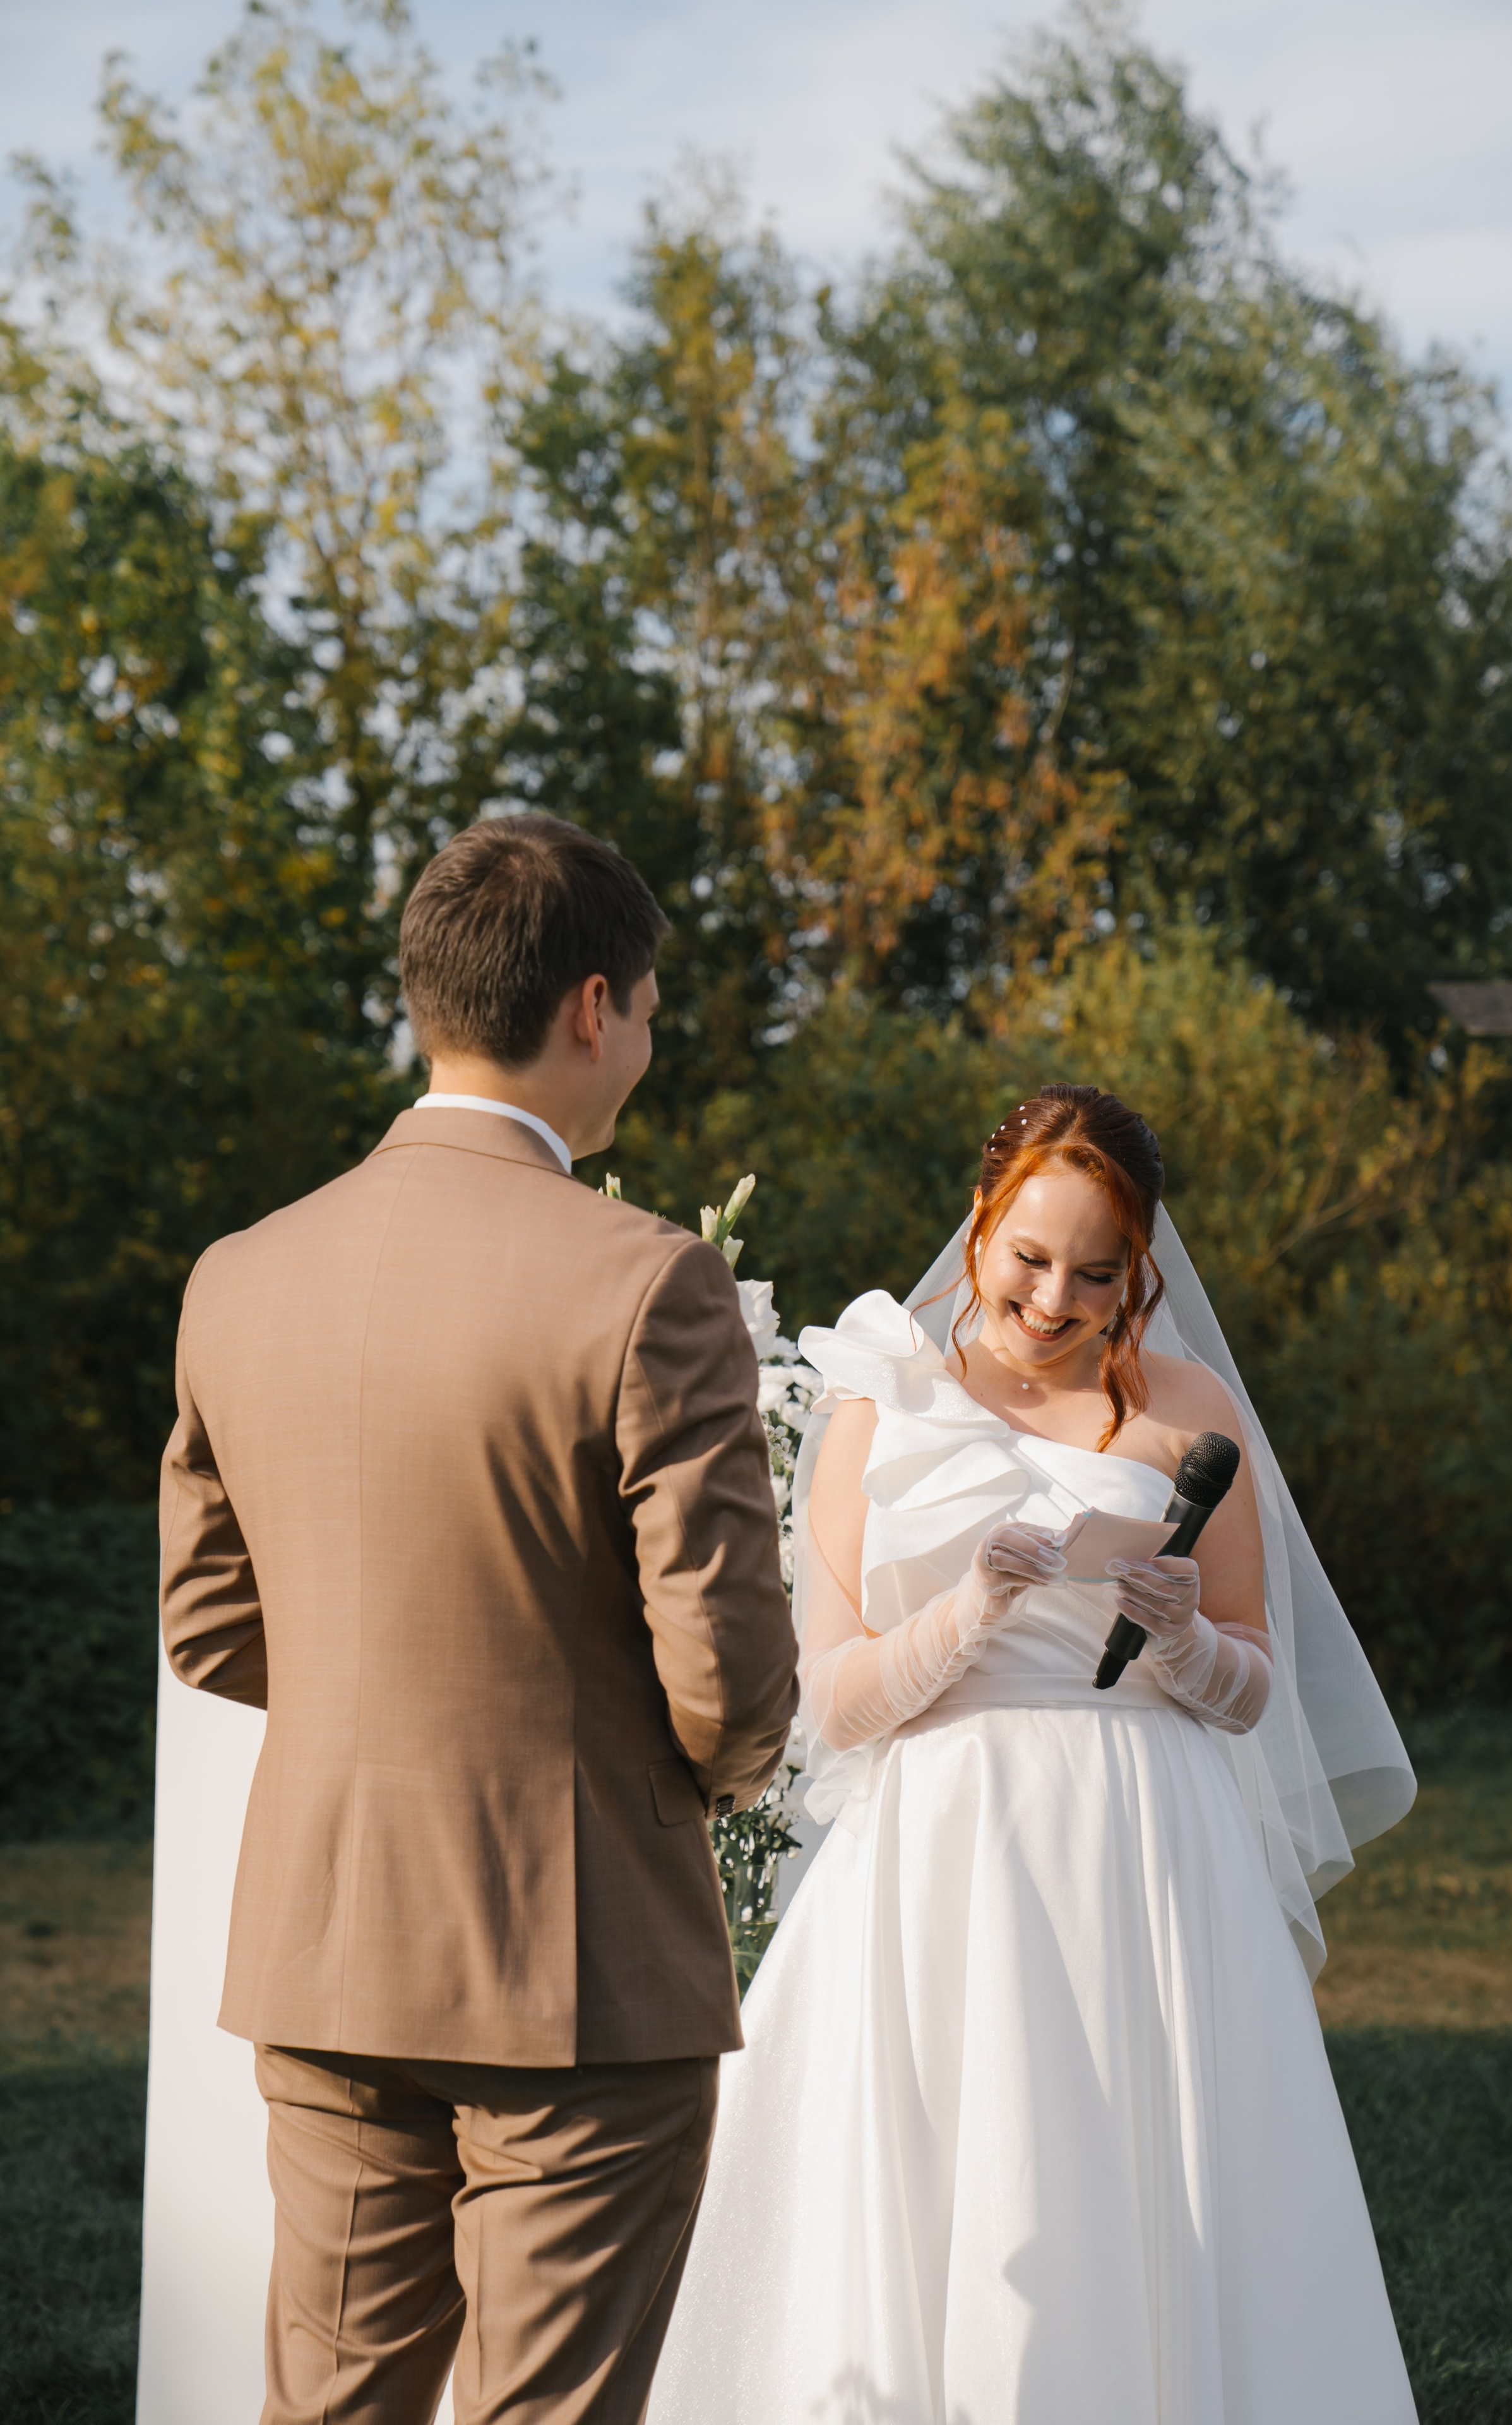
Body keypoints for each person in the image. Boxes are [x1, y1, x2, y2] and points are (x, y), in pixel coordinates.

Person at [158, 813, 799, 2425]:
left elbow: (208, 1622)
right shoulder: (649, 1282)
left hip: (326, 1939)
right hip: (576, 1958)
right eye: (647, 1010)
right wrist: (711, 1780)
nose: (644, 1043)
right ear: (592, 1007)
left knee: (331, 2408)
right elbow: (727, 1677)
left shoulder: (239, 1274)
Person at [649, 1082, 1419, 2425]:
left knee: (1149, 2185)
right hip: (946, 1852)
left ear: (1139, 1274)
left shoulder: (1190, 1410)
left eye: (1095, 1274)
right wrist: (967, 1612)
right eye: (1028, 1258)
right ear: (979, 1224)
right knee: (957, 2180)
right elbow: (830, 1702)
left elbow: (1252, 1684)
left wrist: (1184, 1639)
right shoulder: (882, 1399)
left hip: (1150, 1847)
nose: (1054, 1299)